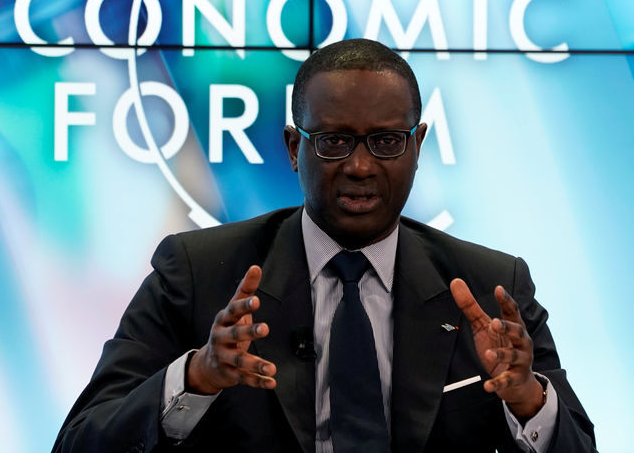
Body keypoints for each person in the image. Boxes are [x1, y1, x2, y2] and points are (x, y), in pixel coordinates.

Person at [52, 39, 596, 453]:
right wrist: (195, 376)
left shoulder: (490, 285)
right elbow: (81, 441)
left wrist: (528, 399)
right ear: (294, 147)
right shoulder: (196, 273)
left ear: (418, 145)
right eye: (334, 141)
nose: (360, 167)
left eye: (385, 142)